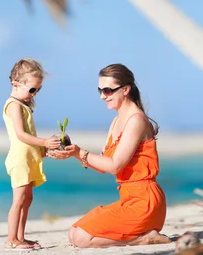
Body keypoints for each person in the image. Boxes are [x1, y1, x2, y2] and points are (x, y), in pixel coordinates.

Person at [49, 63, 171, 248]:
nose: (102, 96)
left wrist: (80, 152)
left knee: (82, 238)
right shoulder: (116, 121)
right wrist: (72, 153)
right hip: (127, 198)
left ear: (125, 90)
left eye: (107, 91)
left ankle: (144, 238)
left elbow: (115, 166)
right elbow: (103, 165)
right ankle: (144, 235)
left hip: (144, 201)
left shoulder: (136, 120)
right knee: (74, 233)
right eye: (100, 90)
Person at [3, 58, 61, 250]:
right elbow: (21, 135)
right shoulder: (14, 105)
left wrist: (44, 149)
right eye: (32, 90)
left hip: (28, 158)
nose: (34, 94)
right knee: (18, 200)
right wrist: (44, 142)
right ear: (16, 84)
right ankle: (12, 239)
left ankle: (20, 236)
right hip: (20, 159)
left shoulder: (24, 105)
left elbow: (29, 138)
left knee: (27, 199)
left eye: (38, 90)